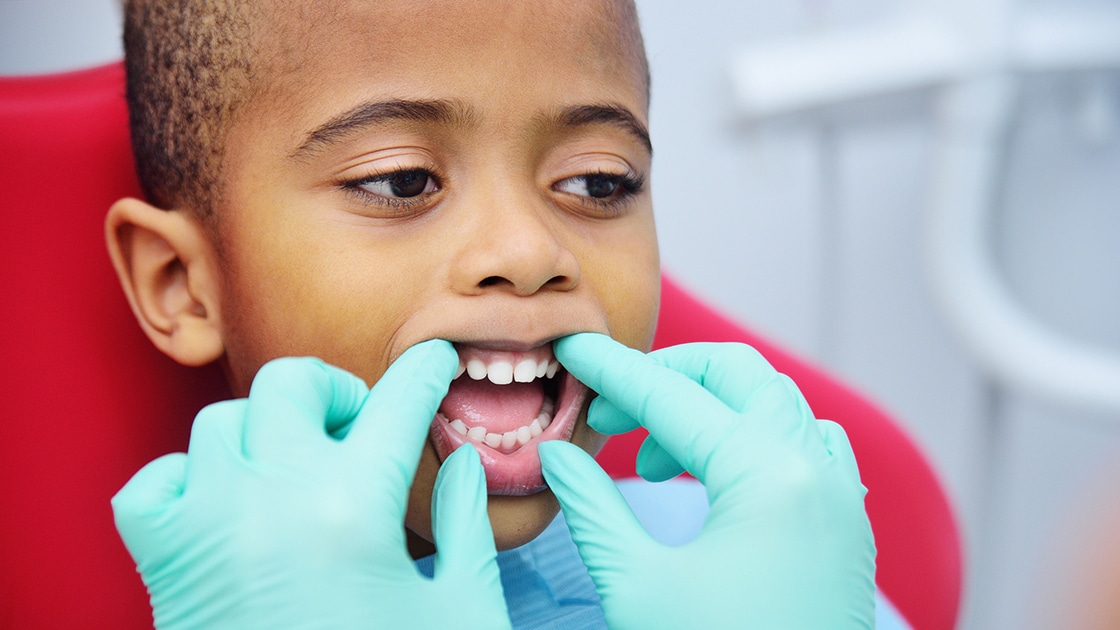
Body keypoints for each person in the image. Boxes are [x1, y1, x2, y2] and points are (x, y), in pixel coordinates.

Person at [105, 0, 885, 627]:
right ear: (182, 282)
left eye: (597, 182)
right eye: (402, 181)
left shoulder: (773, 570)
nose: (527, 250)